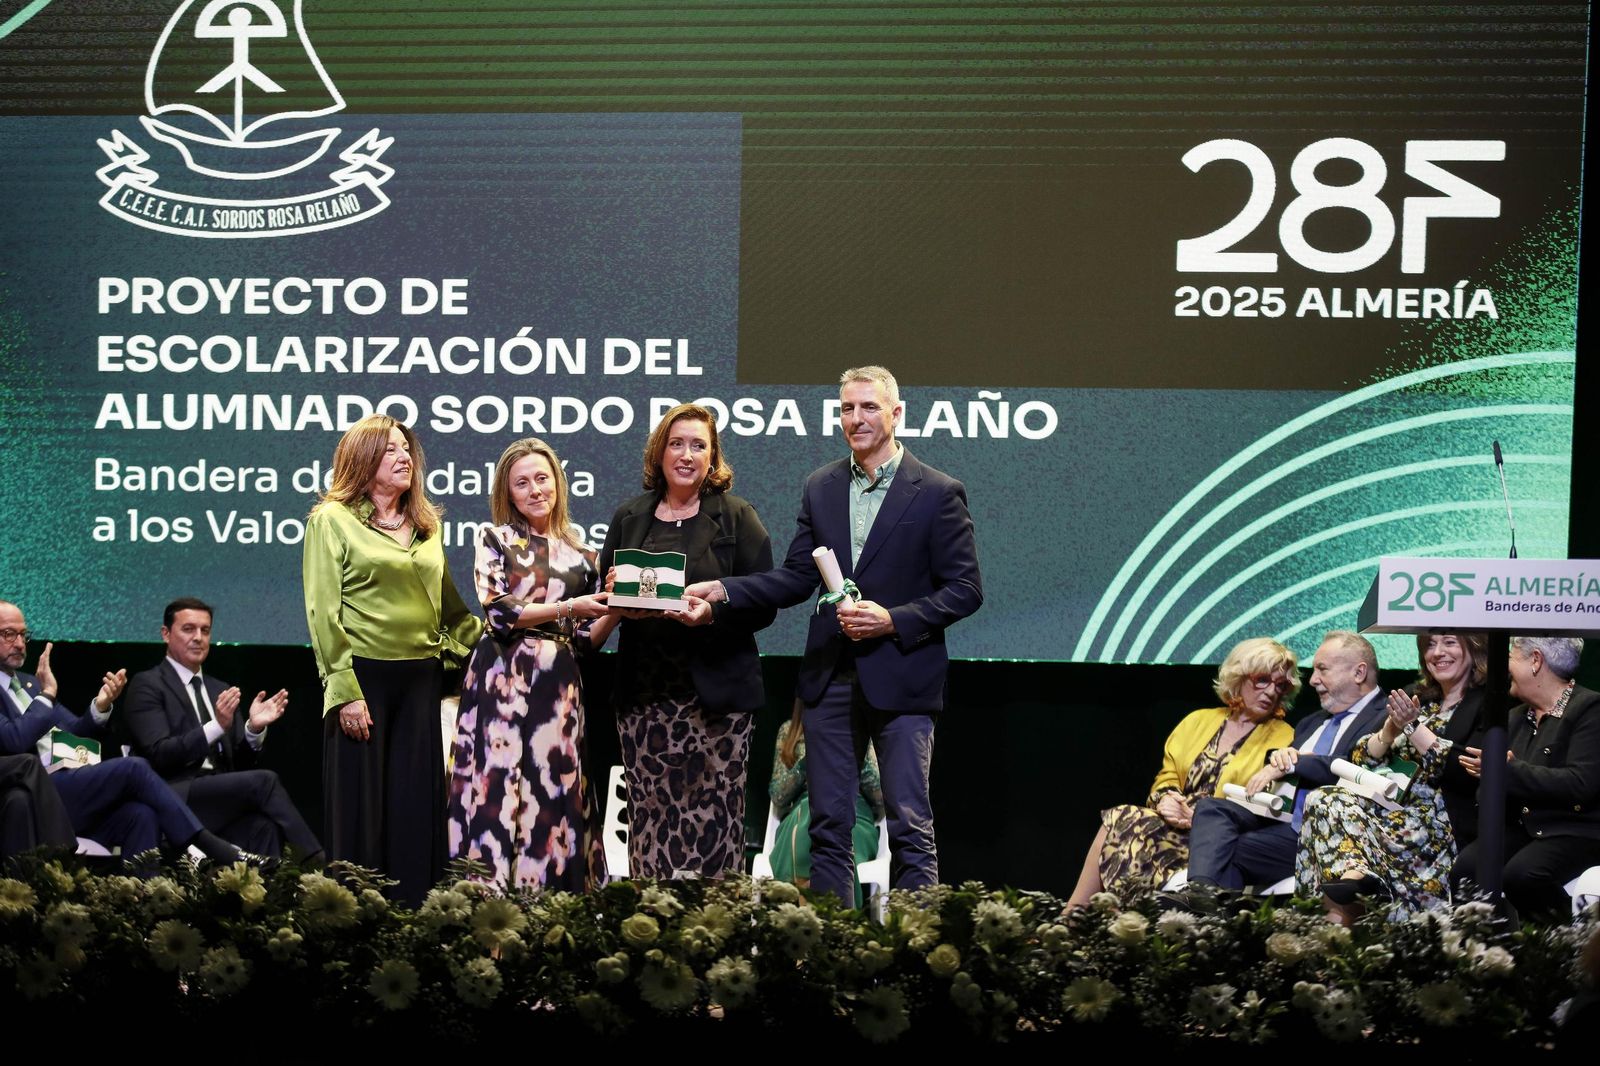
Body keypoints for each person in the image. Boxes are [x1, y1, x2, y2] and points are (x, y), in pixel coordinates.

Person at [688, 366, 983, 905]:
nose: (856, 418)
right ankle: (831, 963)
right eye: (847, 409)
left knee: (910, 829)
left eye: (869, 407)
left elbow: (965, 589)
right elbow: (799, 576)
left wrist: (892, 619)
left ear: (896, 414)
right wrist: (726, 591)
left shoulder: (938, 492)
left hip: (903, 675)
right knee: (828, 827)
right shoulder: (821, 486)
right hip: (829, 678)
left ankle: (918, 965)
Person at [303, 415, 483, 904]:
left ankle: (411, 920)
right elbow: (323, 610)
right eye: (389, 450)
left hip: (421, 681)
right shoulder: (331, 519)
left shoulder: (428, 527)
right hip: (364, 680)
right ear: (362, 460)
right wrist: (343, 691)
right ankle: (355, 920)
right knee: (361, 813)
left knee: (413, 808)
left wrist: (497, 650)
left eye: (406, 449)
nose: (404, 457)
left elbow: (449, 610)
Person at [598, 403, 775, 879]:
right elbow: (604, 597)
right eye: (677, 443)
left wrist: (712, 613)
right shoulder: (630, 517)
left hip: (717, 701)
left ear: (713, 457)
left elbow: (764, 602)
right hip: (645, 697)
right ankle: (651, 934)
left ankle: (713, 937)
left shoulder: (737, 517)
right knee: (651, 819)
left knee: (715, 821)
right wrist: (616, 591)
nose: (687, 454)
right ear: (659, 452)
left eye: (699, 445)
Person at [446, 438, 616, 890]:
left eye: (542, 478)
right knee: (494, 793)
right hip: (500, 679)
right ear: (508, 492)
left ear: (558, 483)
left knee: (553, 795)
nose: (535, 489)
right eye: (522, 483)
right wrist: (570, 608)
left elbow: (586, 641)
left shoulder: (585, 556)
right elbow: (499, 613)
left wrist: (615, 608)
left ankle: (552, 908)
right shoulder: (494, 538)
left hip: (559, 688)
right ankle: (485, 908)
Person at [0, 601, 240, 867]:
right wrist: (47, 695)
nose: (20, 643)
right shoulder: (40, 689)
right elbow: (14, 740)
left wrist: (100, 706)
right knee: (134, 768)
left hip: (69, 785)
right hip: (35, 791)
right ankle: (203, 845)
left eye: (23, 634)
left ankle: (147, 900)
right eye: (9, 634)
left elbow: (76, 732)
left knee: (141, 814)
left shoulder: (29, 684)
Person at [1067, 638, 1297, 907]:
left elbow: (1265, 802)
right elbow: (1168, 776)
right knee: (1120, 817)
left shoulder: (1284, 737)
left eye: (1280, 685)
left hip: (1217, 838)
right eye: (1262, 680)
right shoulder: (1198, 720)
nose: (1271, 691)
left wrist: (1200, 815)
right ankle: (1075, 914)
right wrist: (1166, 799)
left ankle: (1113, 918)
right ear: (1239, 677)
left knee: (1126, 820)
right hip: (1174, 823)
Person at [1296, 632, 1487, 922]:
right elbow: (1362, 758)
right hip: (1388, 808)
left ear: (1474, 648)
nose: (1437, 652)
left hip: (1435, 823)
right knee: (1322, 798)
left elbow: (1464, 768)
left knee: (1328, 804)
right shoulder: (1418, 696)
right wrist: (1388, 732)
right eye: (1430, 645)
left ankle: (1333, 922)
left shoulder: (1487, 704)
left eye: (1448, 642)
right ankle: (1353, 879)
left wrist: (1412, 727)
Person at [123, 597, 323, 862]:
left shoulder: (220, 689)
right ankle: (319, 865)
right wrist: (215, 726)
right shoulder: (147, 685)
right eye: (188, 629)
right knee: (265, 782)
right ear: (165, 634)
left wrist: (253, 729)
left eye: (205, 630)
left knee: (264, 829)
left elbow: (238, 765)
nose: (198, 638)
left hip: (217, 798)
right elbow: (160, 753)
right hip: (175, 796)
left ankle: (273, 899)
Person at [1185, 630, 1387, 892]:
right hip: (1283, 820)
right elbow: (1285, 766)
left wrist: (1295, 763)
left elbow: (1358, 766)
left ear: (1358, 673)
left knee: (1228, 851)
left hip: (1336, 835)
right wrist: (1279, 760)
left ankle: (1208, 912)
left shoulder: (1386, 717)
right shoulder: (1311, 722)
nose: (1313, 680)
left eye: (1322, 669)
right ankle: (1201, 895)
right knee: (1213, 809)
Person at [1454, 636, 1600, 922]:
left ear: (1535, 661)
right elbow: (1488, 796)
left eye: (1510, 656)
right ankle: (1485, 956)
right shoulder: (1515, 717)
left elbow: (1581, 784)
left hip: (1574, 829)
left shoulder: (1590, 709)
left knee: (1524, 876)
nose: (1505, 667)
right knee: (1466, 869)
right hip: (1525, 827)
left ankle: (1565, 950)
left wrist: (1507, 771)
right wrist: (1491, 777)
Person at [768, 699, 884, 908]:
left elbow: (880, 797)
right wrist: (807, 759)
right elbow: (778, 794)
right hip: (803, 809)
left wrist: (856, 755)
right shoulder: (790, 730)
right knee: (811, 815)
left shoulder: (863, 729)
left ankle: (827, 920)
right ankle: (814, 922)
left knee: (828, 816)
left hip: (854, 811)